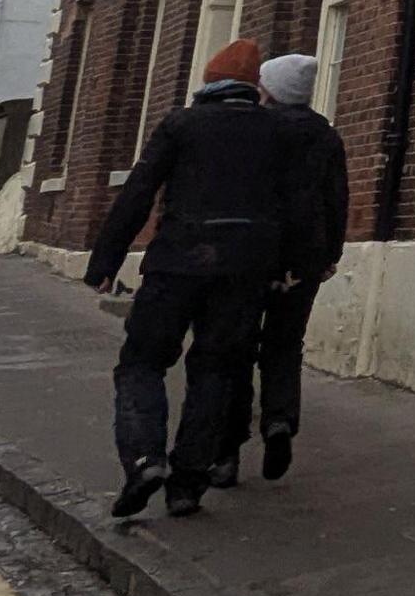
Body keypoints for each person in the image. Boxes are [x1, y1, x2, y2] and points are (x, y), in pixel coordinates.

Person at [86, 39, 303, 522]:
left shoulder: (181, 125)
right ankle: (187, 484)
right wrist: (290, 264)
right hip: (246, 269)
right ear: (253, 89)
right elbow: (294, 205)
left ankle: (145, 460)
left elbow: (138, 192)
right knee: (217, 371)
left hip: (178, 262)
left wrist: (104, 261)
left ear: (209, 82)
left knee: (141, 363)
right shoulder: (277, 132)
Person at [216, 52, 348, 487]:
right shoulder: (326, 136)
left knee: (236, 346)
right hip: (304, 258)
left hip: (254, 253)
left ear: (269, 89)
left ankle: (228, 449)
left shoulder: (257, 129)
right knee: (285, 343)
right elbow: (336, 200)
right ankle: (279, 421)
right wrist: (330, 254)